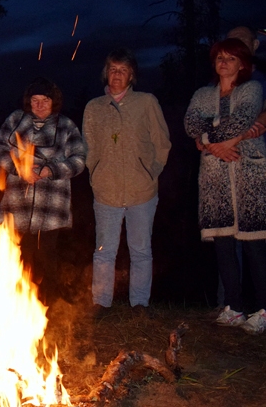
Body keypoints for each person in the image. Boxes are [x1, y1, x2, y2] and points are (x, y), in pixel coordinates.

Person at [185, 38, 266, 335]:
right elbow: (192, 125)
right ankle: (234, 307)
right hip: (216, 179)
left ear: (242, 63)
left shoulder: (252, 89)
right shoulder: (203, 94)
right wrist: (217, 144)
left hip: (248, 175)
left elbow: (242, 121)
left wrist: (209, 141)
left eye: (231, 58)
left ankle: (263, 308)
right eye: (219, 57)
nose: (223, 62)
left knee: (255, 243)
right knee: (224, 245)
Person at [84, 49, 171, 314]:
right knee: (104, 251)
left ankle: (140, 303)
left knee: (141, 250)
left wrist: (150, 172)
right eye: (112, 69)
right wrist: (95, 173)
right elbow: (88, 146)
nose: (117, 75)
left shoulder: (146, 102)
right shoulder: (94, 107)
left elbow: (162, 142)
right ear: (106, 73)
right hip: (106, 190)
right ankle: (101, 301)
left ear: (131, 74)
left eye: (122, 70)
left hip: (141, 190)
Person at [0, 77, 86, 302]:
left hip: (51, 207)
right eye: (35, 100)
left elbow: (80, 160)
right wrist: (20, 169)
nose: (40, 105)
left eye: (45, 100)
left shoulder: (66, 126)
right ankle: (16, 305)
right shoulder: (16, 120)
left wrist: (49, 170)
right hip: (18, 206)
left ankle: (47, 308)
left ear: (53, 102)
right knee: (19, 258)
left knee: (47, 259)